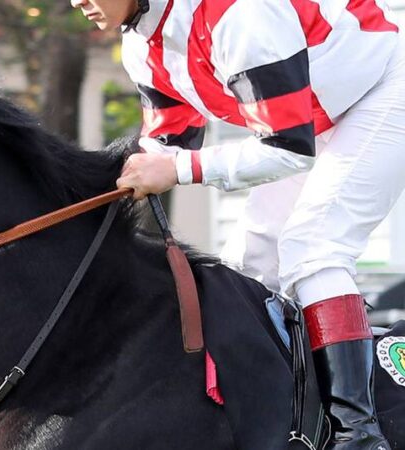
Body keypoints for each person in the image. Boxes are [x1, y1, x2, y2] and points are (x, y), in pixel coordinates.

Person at [70, 0, 404, 448]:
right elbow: (165, 148)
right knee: (247, 265)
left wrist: (175, 170)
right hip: (321, 114)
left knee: (313, 248)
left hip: (383, 87)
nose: (76, 1)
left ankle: (358, 434)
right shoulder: (141, 41)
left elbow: (286, 148)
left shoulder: (238, 14)